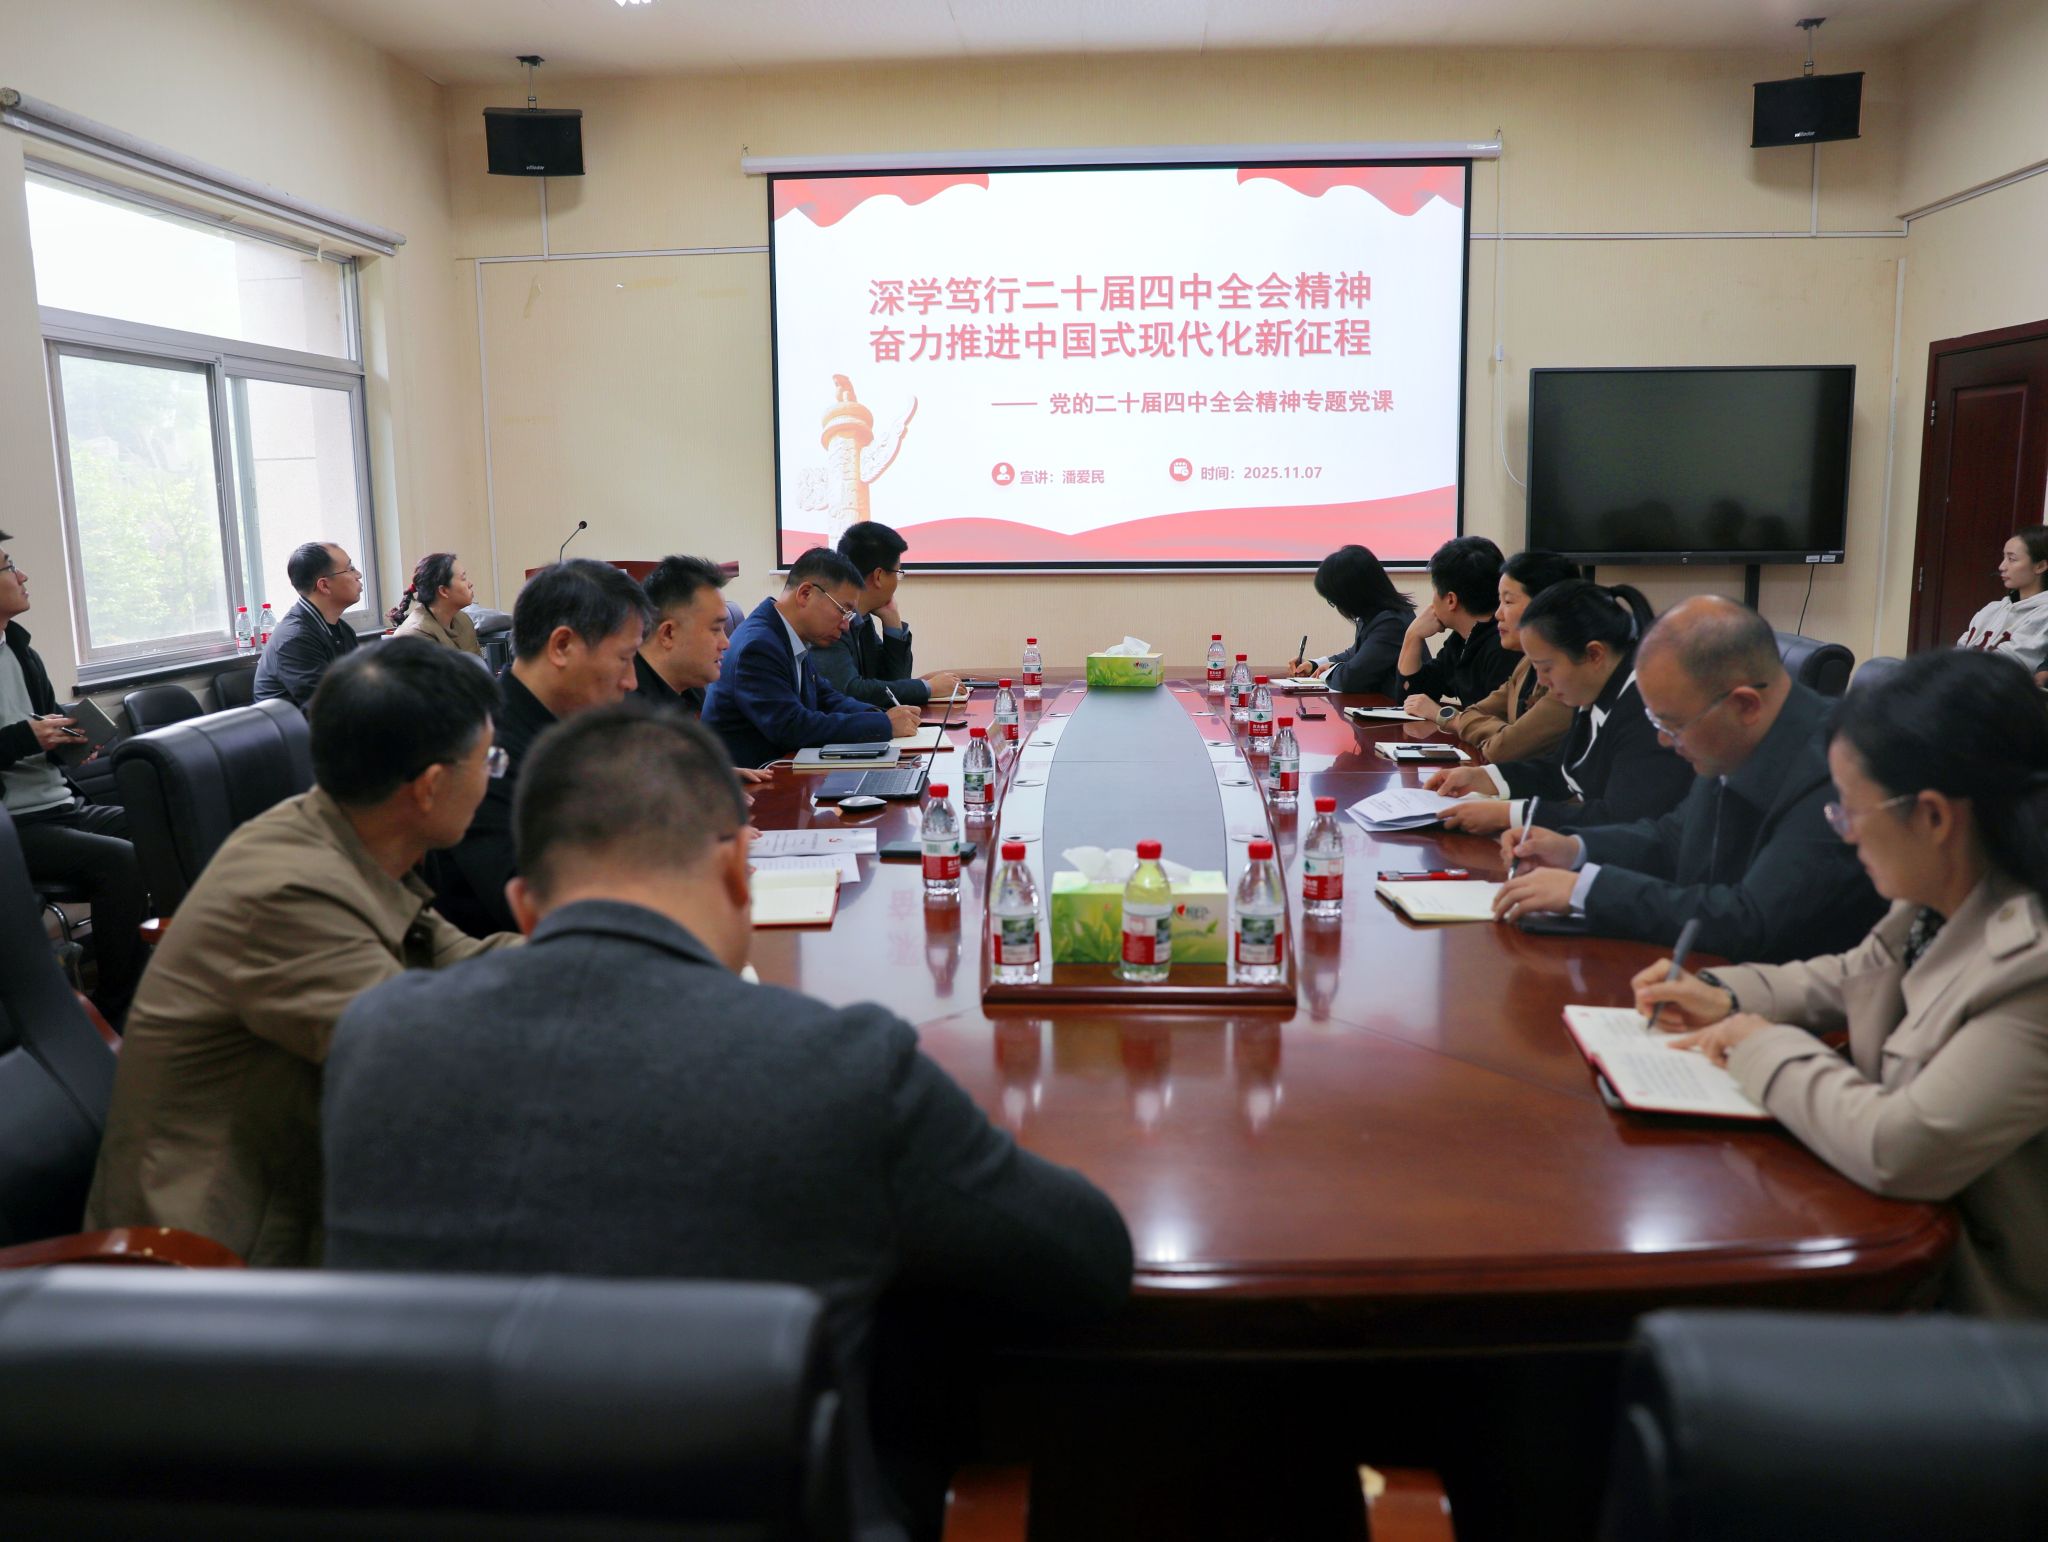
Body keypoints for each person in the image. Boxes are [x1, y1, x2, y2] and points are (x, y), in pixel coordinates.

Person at [322, 708, 1133, 1538]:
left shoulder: (379, 1040)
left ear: (525, 909)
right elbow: (1090, 1261)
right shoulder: (840, 1064)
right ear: (740, 868)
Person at [1632, 649, 2048, 1316]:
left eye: (1850, 811)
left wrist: (1755, 1043)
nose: (1845, 834)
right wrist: (1725, 993)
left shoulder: (2033, 966)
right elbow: (1851, 974)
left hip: (1975, 1316)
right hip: (1895, 1251)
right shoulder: (1945, 896)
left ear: (1934, 817)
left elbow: (1900, 1148)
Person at [83, 641, 518, 1266]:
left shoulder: (348, 837)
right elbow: (422, 1070)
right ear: (429, 787)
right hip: (209, 1264)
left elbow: (468, 964)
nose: (492, 777)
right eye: (489, 761)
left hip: (304, 1195)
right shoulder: (288, 891)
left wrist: (607, 955)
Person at [1491, 594, 1885, 963]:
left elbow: (1752, 920)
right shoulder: (1734, 736)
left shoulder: (1839, 769)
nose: (1665, 740)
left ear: (1745, 704)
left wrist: (1589, 891)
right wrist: (1575, 849)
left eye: (1673, 725)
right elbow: (1675, 837)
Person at [426, 558, 649, 938]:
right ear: (562, 646)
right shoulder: (484, 752)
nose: (631, 682)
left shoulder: (569, 728)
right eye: (624, 659)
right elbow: (528, 906)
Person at [0, 532, 143, 1025]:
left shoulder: (21, 651)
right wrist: (25, 738)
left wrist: (72, 739)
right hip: (15, 826)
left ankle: (164, 970)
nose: (22, 576)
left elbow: (43, 726)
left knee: (162, 830)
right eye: (8, 567)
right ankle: (118, 1006)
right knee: (121, 860)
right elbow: (23, 736)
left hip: (62, 805)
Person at [1428, 580, 1690, 836]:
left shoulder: (1646, 709)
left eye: (1547, 668)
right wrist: (1484, 777)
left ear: (1594, 655)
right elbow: (1562, 770)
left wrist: (1512, 815)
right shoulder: (1593, 690)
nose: (1542, 682)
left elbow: (1622, 818)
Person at [701, 547, 920, 768]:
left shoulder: (786, 634)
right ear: (806, 593)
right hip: (756, 782)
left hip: (787, 771)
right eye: (843, 610)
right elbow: (792, 727)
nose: (846, 625)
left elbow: (826, 698)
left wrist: (881, 715)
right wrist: (883, 724)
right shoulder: (758, 645)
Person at [1441, 548, 1580, 762]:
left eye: (1508, 602)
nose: (1498, 614)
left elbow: (1501, 750)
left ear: (1545, 605)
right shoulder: (1526, 663)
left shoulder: (1571, 677)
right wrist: (1505, 733)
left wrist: (1503, 736)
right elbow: (1470, 714)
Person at [815, 521, 960, 709]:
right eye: (898, 572)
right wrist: (927, 688)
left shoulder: (862, 618)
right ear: (879, 576)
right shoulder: (831, 620)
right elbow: (850, 690)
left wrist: (893, 623)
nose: (898, 580)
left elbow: (894, 683)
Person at [1399, 534, 1517, 717]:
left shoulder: (1503, 645)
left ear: (1451, 600)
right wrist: (1412, 636)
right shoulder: (1461, 640)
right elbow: (1410, 700)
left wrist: (1441, 714)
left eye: (1435, 591)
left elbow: (1494, 722)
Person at [1286, 544, 1415, 694]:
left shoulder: (1391, 622)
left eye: (1335, 600)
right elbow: (1356, 654)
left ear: (1352, 594)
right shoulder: (1375, 614)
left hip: (1400, 706)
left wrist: (1332, 669)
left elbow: (1351, 678)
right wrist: (1314, 664)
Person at [253, 540, 363, 707]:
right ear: (324, 585)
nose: (358, 575)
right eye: (351, 568)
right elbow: (329, 708)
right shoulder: (295, 639)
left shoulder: (342, 629)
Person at [1956, 524, 2048, 686]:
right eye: (2004, 557)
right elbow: (1959, 650)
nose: (2002, 567)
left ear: (2040, 566)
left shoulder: (2043, 614)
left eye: (2012, 559)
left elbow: (2005, 666)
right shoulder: (1992, 608)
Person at [388, 551, 482, 655]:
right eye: (463, 579)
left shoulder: (464, 620)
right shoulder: (414, 636)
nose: (470, 584)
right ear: (443, 591)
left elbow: (478, 664)